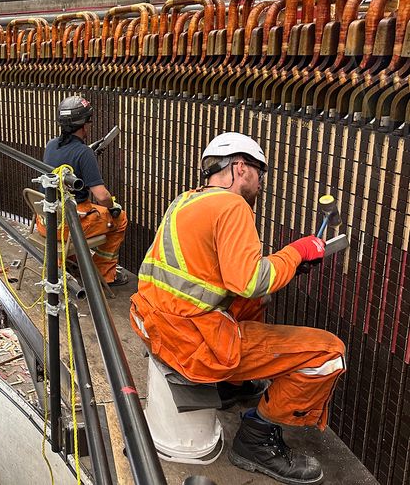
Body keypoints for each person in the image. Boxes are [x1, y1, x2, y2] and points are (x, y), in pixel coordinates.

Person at [130, 132, 346, 484]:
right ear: (241, 168)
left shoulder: (185, 201)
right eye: (260, 174)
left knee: (255, 300)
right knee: (328, 353)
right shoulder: (233, 207)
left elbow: (223, 279)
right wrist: (298, 252)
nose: (261, 184)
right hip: (195, 343)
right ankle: (256, 439)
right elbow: (249, 280)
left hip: (157, 323)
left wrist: (287, 265)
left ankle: (234, 385)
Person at [40, 96, 128, 286]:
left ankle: (71, 261)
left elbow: (65, 160)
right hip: (68, 227)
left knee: (88, 208)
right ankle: (104, 274)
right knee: (120, 218)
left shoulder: (51, 144)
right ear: (84, 124)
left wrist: (86, 153)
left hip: (46, 221)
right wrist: (112, 205)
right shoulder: (83, 153)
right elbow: (102, 196)